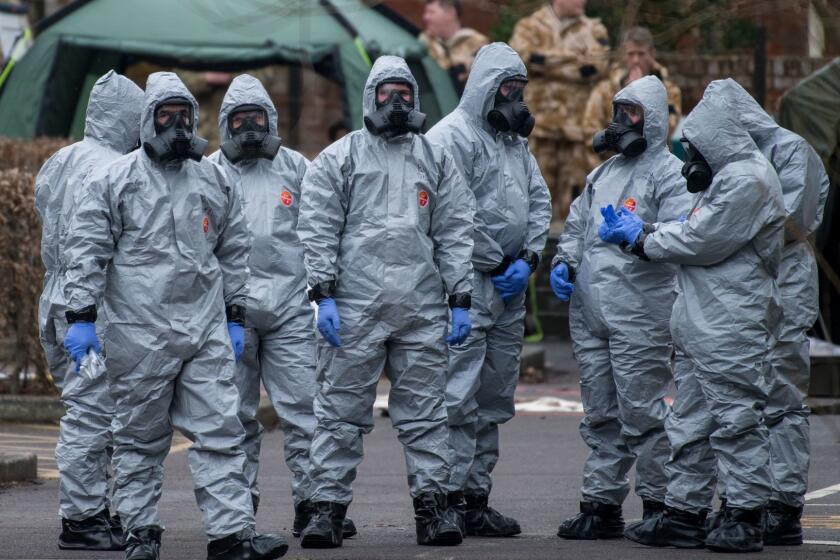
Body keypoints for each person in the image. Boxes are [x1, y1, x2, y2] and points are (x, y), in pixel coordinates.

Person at [62, 71, 288, 560]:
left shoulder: (212, 178)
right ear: (147, 121)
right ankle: (140, 531)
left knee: (222, 431)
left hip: (203, 330)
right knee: (140, 440)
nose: (178, 126)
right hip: (137, 334)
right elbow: (87, 252)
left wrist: (234, 312)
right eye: (166, 115)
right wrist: (80, 315)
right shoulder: (113, 180)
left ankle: (231, 536)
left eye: (184, 115)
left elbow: (233, 249)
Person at [296, 55, 474, 549]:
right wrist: (322, 294)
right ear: (369, 97)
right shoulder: (340, 158)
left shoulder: (435, 158)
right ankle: (326, 512)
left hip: (419, 308)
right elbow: (317, 229)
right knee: (338, 415)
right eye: (384, 93)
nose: (394, 102)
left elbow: (455, 230)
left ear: (414, 98)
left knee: (426, 416)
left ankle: (434, 511)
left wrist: (460, 297)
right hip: (354, 309)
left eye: (402, 92)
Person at [599, 85, 785, 553]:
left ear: (716, 140)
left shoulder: (748, 179)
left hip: (730, 323)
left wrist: (643, 238)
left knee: (735, 422)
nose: (690, 158)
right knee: (692, 423)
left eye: (695, 148)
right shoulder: (729, 177)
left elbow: (701, 240)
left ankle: (746, 514)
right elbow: (692, 230)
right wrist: (648, 230)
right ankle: (684, 513)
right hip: (705, 323)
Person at [208, 73, 357, 540]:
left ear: (271, 120)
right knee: (233, 418)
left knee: (306, 410)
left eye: (257, 118)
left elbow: (318, 231)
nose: (249, 128)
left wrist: (323, 292)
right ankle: (238, 512)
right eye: (239, 120)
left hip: (291, 307)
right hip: (230, 311)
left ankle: (313, 506)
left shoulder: (297, 168)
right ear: (224, 124)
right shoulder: (209, 171)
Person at [549, 75, 688, 540]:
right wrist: (565, 262)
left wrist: (640, 236)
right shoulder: (600, 175)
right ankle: (601, 504)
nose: (621, 122)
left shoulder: (671, 174)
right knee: (601, 413)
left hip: (640, 312)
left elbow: (681, 239)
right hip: (592, 312)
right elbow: (575, 228)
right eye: (619, 112)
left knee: (643, 411)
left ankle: (659, 501)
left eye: (632, 114)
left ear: (652, 120)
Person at [426, 42, 551, 537]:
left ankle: (476, 498)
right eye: (508, 89)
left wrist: (530, 258)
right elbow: (451, 215)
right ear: (484, 87)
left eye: (521, 90)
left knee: (495, 396)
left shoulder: (513, 144)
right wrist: (497, 260)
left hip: (509, 288)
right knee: (457, 395)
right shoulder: (450, 138)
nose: (516, 99)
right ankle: (448, 497)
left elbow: (539, 200)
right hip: (465, 286)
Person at [700, 78, 829, 546]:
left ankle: (784, 502)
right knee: (745, 390)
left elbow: (787, 220)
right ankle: (747, 496)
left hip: (786, 280)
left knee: (783, 392)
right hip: (749, 283)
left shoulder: (792, 151)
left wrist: (723, 237)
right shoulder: (734, 160)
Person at [35, 70, 142, 552]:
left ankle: (92, 511)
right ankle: (82, 519)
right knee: (94, 413)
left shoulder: (60, 161)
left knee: (86, 408)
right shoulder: (119, 167)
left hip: (57, 298)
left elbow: (48, 222)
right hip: (91, 307)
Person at [509, 0, 609, 220]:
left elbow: (597, 67)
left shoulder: (594, 29)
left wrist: (543, 62)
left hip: (576, 132)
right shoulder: (530, 26)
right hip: (539, 129)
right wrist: (572, 58)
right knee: (532, 196)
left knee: (573, 204)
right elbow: (519, 61)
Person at [582, 26, 682, 161]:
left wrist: (641, 96)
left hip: (655, 165)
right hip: (616, 163)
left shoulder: (669, 91)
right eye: (631, 54)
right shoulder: (605, 90)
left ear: (652, 54)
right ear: (623, 56)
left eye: (641, 54)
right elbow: (590, 133)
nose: (636, 60)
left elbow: (668, 128)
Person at [419, 0, 489, 94]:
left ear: (450, 13)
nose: (425, 17)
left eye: (431, 12)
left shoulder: (477, 45)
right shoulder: (424, 44)